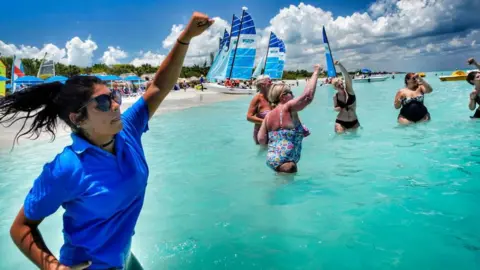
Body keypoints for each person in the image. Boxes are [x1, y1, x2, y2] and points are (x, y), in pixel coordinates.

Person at [3, 12, 213, 270]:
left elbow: (158, 86)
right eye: (103, 102)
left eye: (113, 96)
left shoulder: (127, 132)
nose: (115, 104)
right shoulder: (65, 168)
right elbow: (21, 227)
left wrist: (185, 38)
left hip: (123, 257)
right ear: (78, 118)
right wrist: (52, 267)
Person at [257, 64, 321, 173]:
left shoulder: (268, 116)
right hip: (287, 162)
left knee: (282, 184)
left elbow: (261, 139)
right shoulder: (287, 107)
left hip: (272, 159)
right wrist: (316, 72)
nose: (293, 95)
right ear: (283, 96)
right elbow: (308, 96)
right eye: (290, 92)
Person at [331, 60, 360, 133]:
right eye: (339, 85)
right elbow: (335, 108)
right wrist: (337, 109)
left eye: (342, 84)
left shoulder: (349, 91)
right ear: (335, 88)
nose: (341, 86)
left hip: (354, 122)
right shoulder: (335, 97)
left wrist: (340, 65)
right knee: (340, 142)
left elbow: (347, 77)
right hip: (341, 122)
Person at [247, 75, 273, 144]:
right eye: (269, 81)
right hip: (261, 133)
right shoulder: (257, 98)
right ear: (262, 85)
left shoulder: (273, 97)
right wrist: (265, 122)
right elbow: (249, 117)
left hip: (273, 132)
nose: (272, 83)